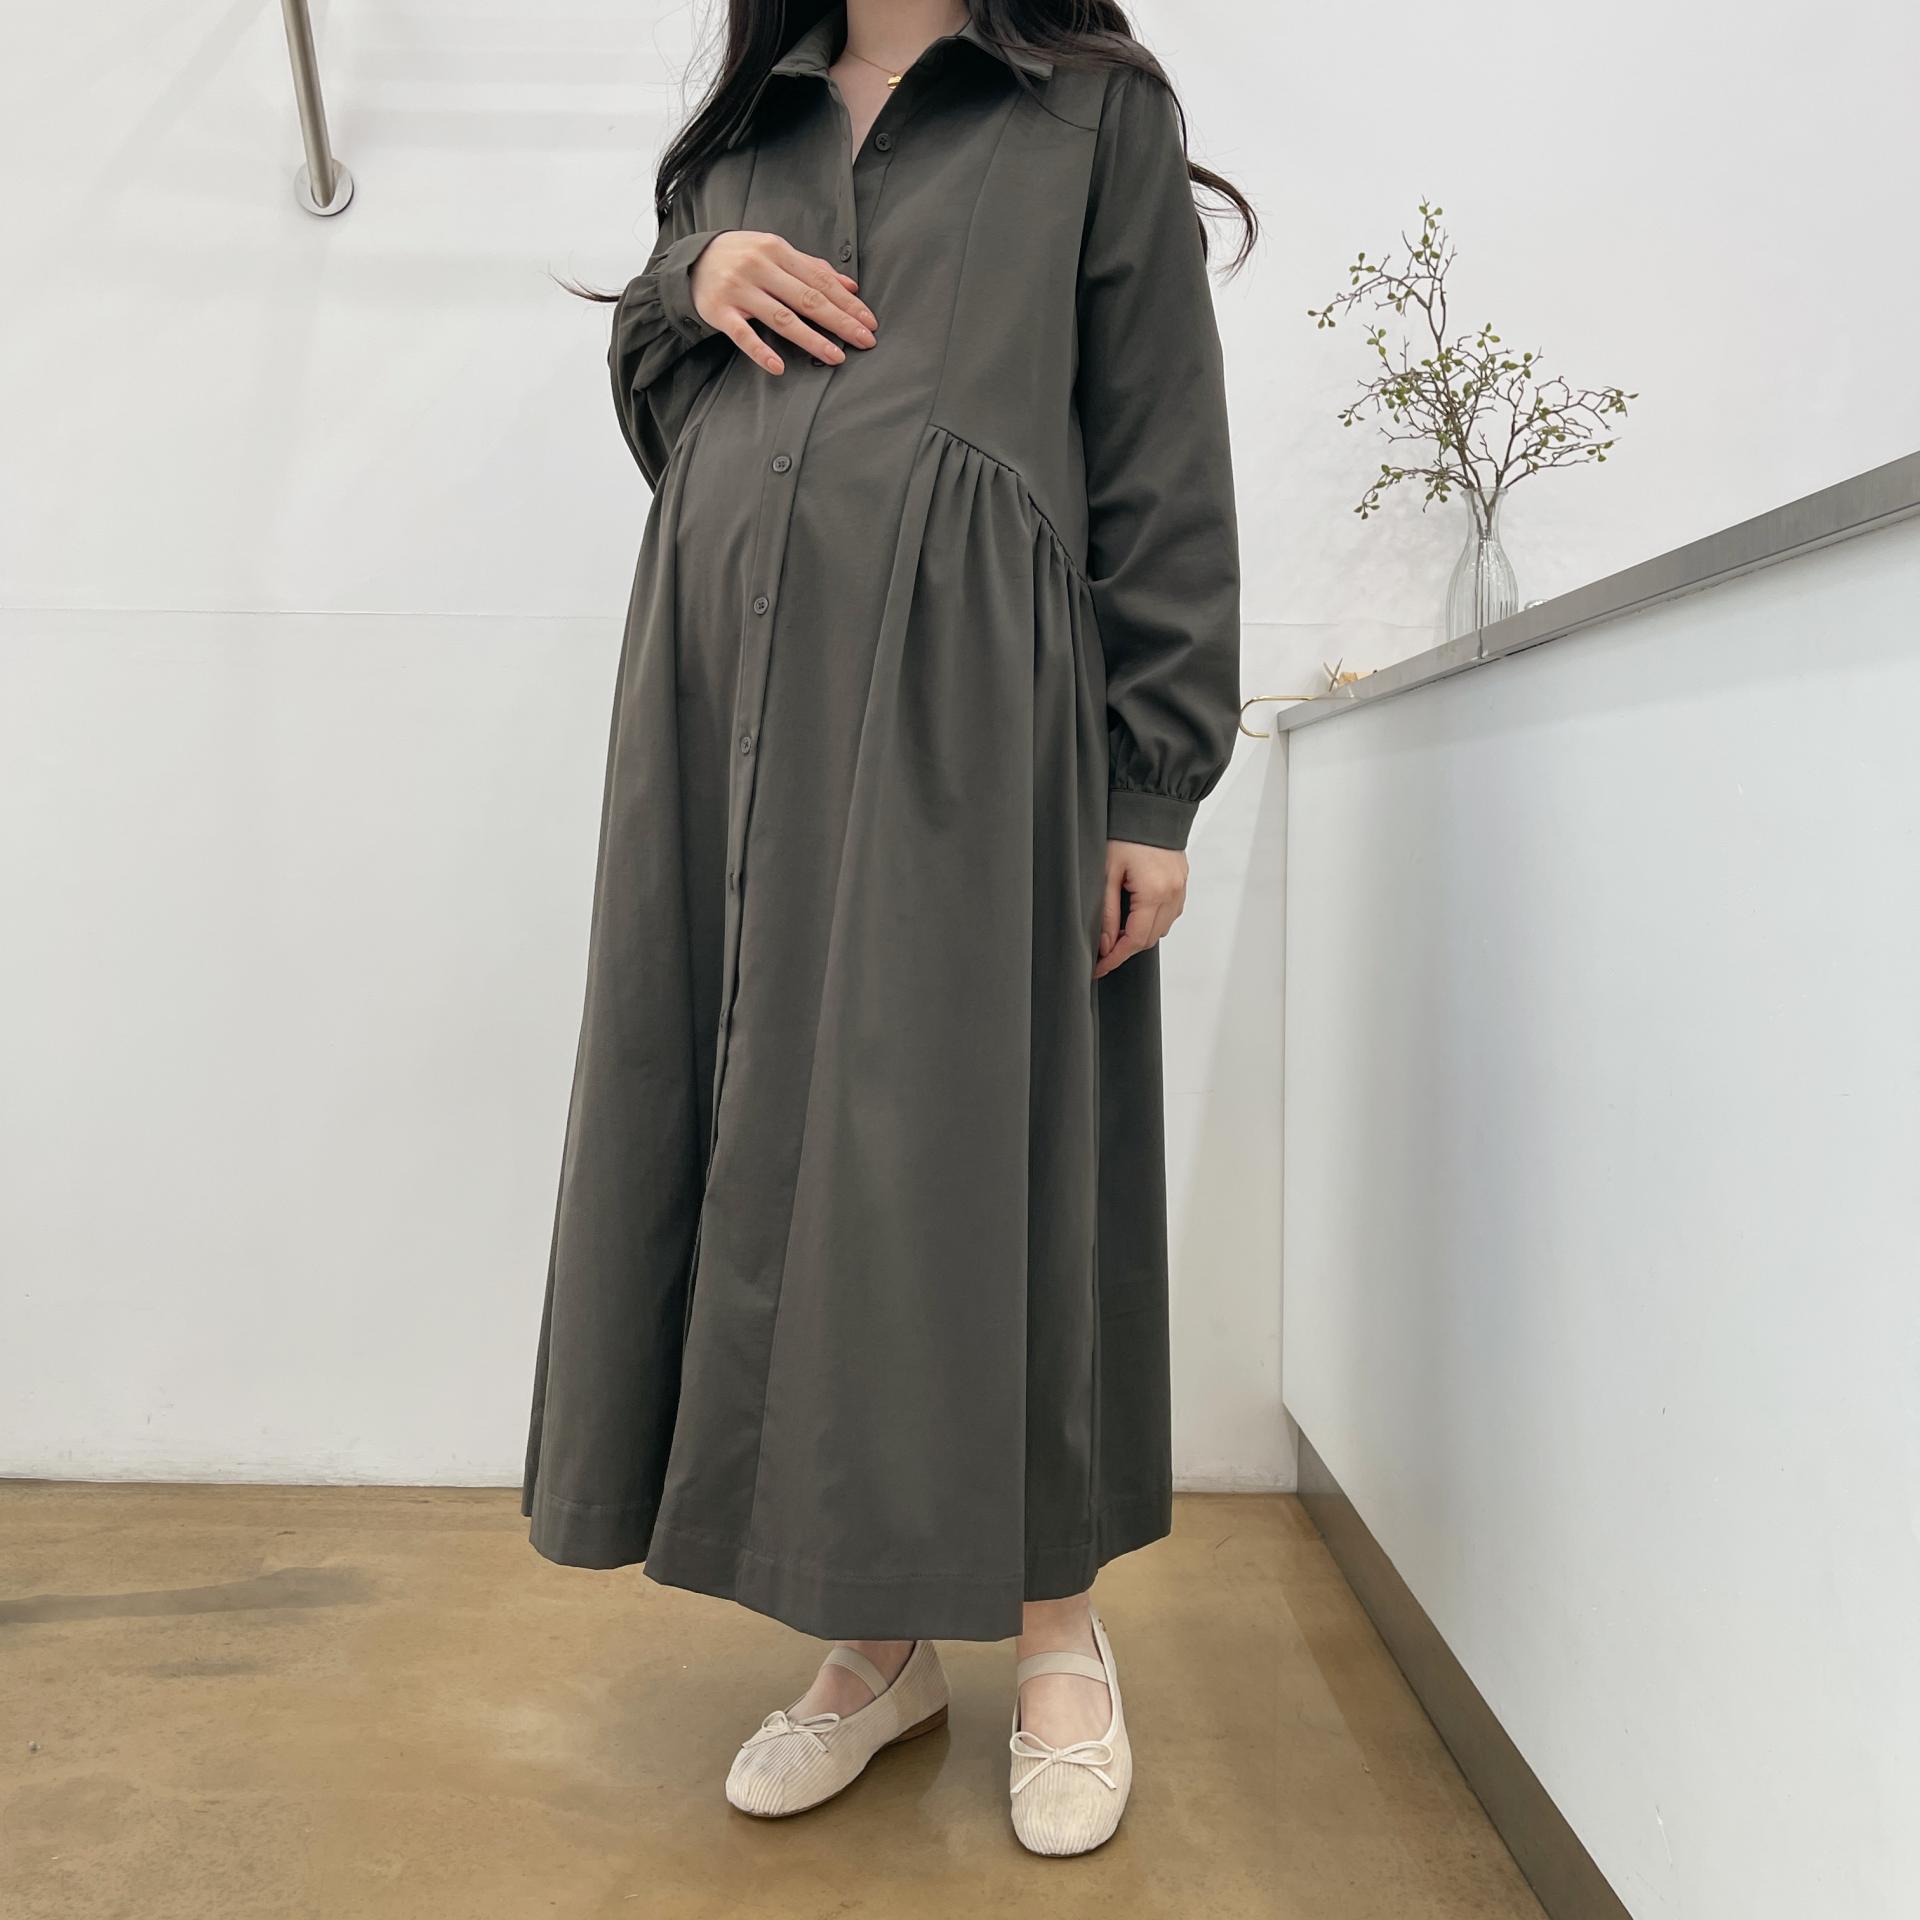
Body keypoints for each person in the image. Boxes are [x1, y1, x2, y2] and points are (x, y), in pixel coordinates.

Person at [523, 0, 1249, 1856]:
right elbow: (672, 413)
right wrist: (690, 281)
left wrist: (1151, 783)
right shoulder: (743, 132)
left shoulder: (1086, 115)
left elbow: (1160, 441)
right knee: (787, 1149)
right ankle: (876, 1636)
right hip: (722, 703)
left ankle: (1058, 1630)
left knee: (973, 1153)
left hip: (969, 713)